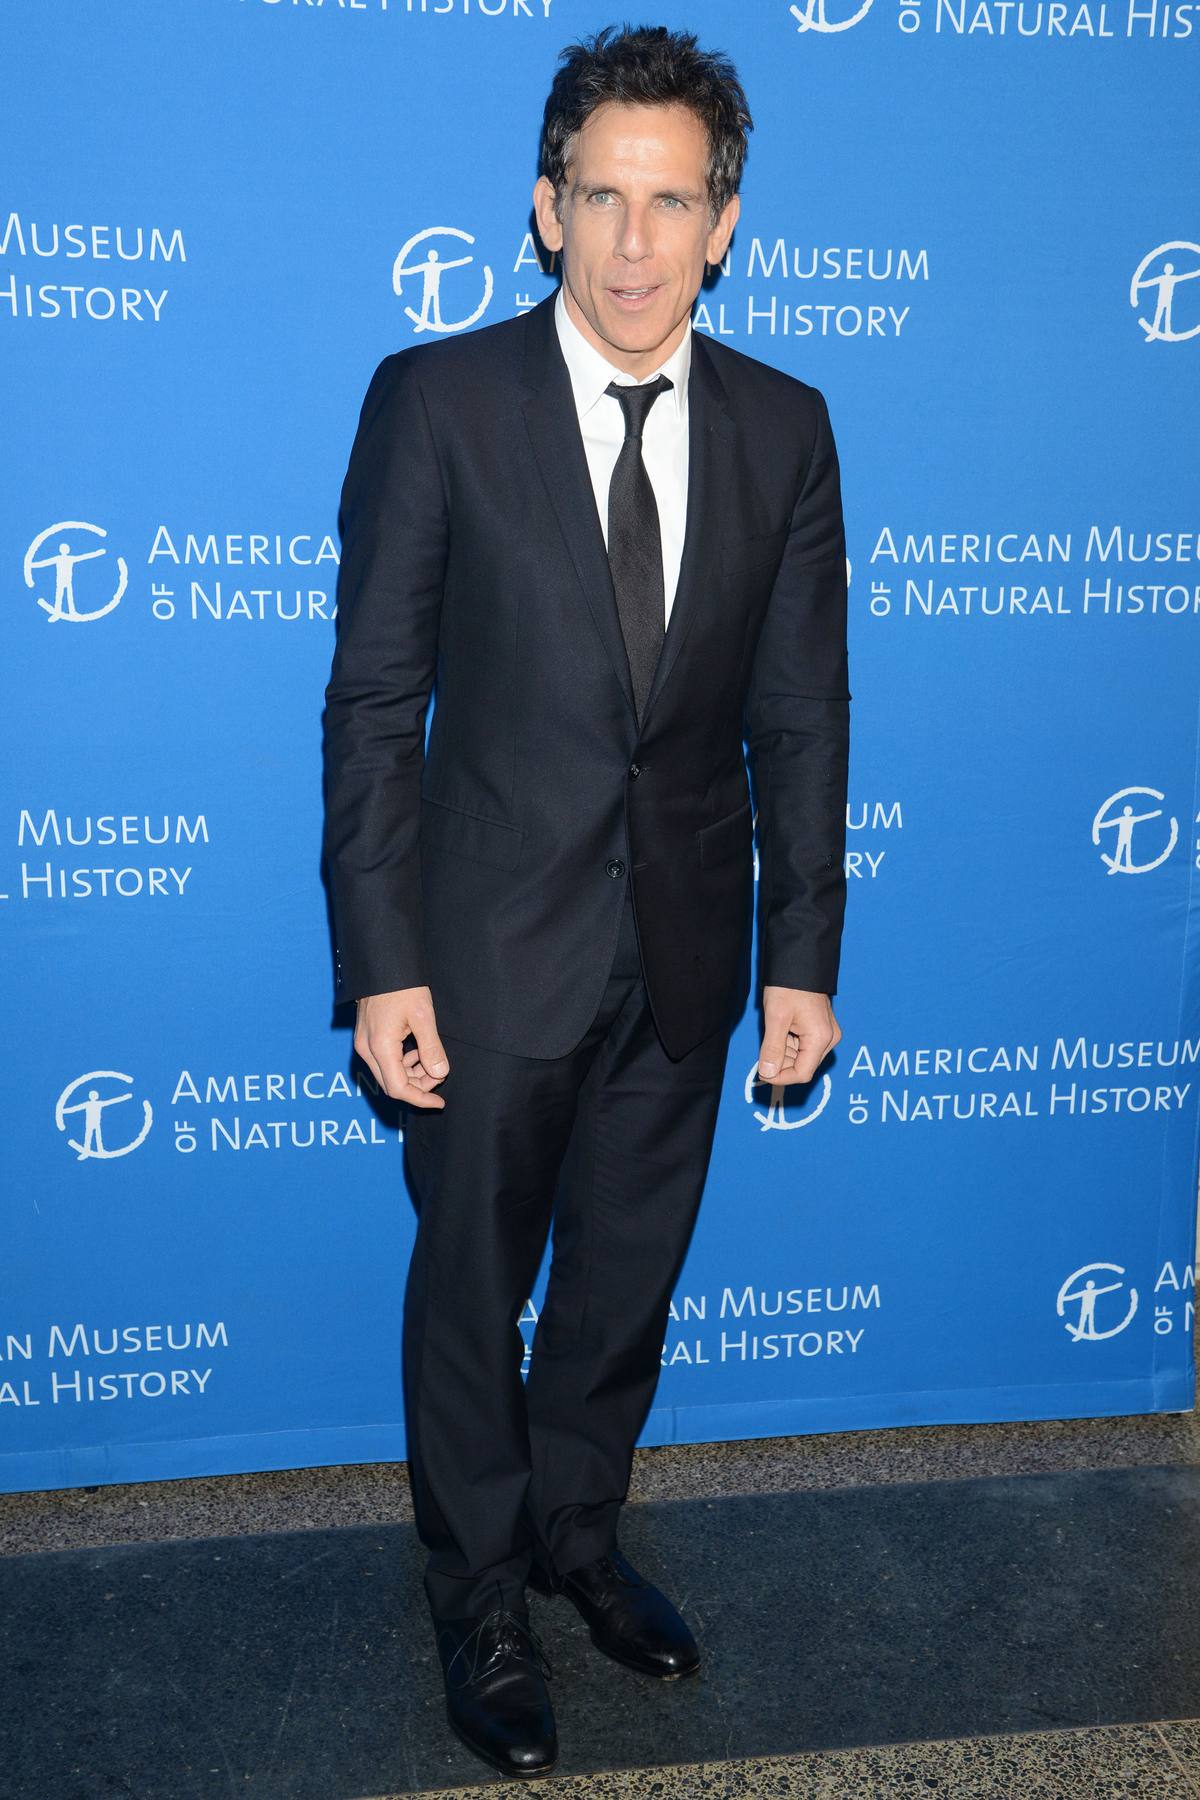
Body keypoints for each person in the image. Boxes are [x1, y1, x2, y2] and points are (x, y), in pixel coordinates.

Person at [321, 23, 851, 1781]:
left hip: (688, 953)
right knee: (472, 1287)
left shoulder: (786, 429)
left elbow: (801, 711)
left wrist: (804, 959)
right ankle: (476, 1593)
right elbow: (373, 706)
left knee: (625, 1281)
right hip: (480, 957)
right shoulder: (439, 401)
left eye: (672, 203)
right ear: (545, 210)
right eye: (601, 199)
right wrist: (383, 960)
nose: (635, 245)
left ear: (725, 225)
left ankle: (576, 1539)